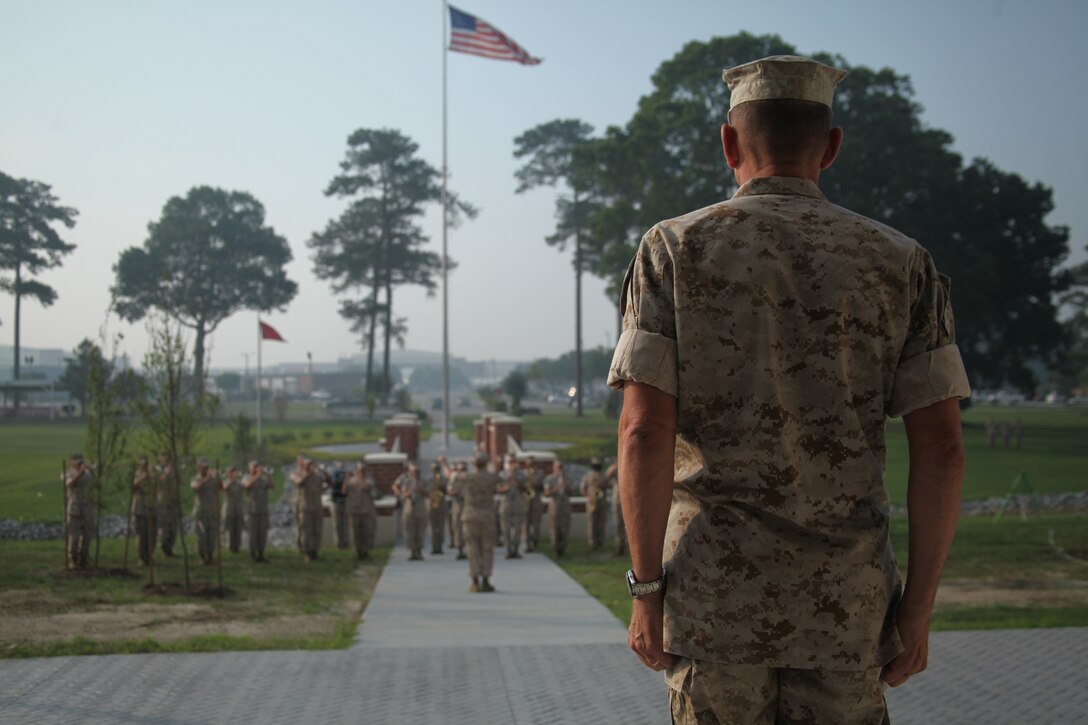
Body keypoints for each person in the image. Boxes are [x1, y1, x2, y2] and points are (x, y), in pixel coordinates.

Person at [609, 55, 969, 723]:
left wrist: (646, 590)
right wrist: (916, 609)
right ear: (830, 148)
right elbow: (943, 446)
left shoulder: (673, 250)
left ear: (728, 144)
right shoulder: (901, 262)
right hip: (846, 607)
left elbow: (643, 430)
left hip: (716, 602)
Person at [457, 452, 499, 592]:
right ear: (486, 463)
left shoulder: (467, 477)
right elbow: (504, 482)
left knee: (472, 548)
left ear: (473, 464)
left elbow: (453, 479)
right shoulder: (492, 477)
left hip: (470, 515)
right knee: (487, 548)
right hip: (487, 515)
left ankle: (475, 581)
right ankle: (486, 580)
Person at [63, 453, 96, 570]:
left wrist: (92, 471)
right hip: (74, 510)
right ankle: (73, 560)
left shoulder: (88, 475)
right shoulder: (68, 473)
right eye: (77, 463)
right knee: (74, 537)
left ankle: (84, 559)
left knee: (87, 537)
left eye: (81, 463)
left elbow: (96, 484)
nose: (79, 465)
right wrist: (80, 472)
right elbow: (70, 484)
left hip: (87, 509)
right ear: (72, 463)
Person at [290, 457, 326, 561]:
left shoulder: (316, 476)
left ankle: (315, 551)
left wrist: (322, 471)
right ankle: (307, 552)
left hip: (317, 506)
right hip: (305, 507)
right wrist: (308, 473)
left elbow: (326, 483)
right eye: (308, 464)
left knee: (317, 530)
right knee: (306, 531)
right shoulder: (299, 474)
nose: (310, 466)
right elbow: (299, 482)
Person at [393, 463, 429, 560]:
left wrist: (420, 489)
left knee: (420, 531)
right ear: (409, 471)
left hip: (420, 508)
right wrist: (402, 494)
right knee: (409, 530)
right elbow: (395, 486)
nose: (416, 473)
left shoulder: (423, 481)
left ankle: (419, 551)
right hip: (408, 508)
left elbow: (429, 494)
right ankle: (412, 552)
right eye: (413, 471)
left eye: (417, 472)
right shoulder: (404, 479)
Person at [345, 461, 378, 560]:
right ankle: (358, 552)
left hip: (366, 510)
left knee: (366, 533)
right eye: (360, 470)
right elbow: (344, 491)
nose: (361, 472)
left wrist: (361, 478)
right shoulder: (351, 480)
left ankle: (366, 551)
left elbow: (366, 488)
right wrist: (347, 479)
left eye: (363, 470)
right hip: (354, 510)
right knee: (356, 533)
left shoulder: (369, 480)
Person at [242, 460, 273, 562]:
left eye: (257, 466)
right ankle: (253, 554)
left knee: (262, 534)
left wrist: (267, 475)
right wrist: (257, 476)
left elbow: (272, 486)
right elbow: (247, 485)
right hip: (252, 511)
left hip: (263, 510)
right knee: (253, 534)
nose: (256, 469)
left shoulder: (263, 479)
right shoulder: (246, 477)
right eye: (254, 467)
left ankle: (261, 554)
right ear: (249, 468)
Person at [190, 459, 219, 566]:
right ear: (199, 467)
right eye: (203, 467)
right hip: (200, 512)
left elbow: (220, 488)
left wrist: (217, 477)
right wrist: (207, 478)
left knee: (211, 535)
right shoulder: (195, 478)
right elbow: (196, 487)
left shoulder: (212, 479)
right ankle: (202, 556)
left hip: (211, 511)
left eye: (207, 467)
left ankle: (210, 555)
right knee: (201, 536)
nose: (206, 469)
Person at [497, 455, 527, 559]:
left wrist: (517, 481)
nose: (511, 464)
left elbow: (526, 489)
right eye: (509, 462)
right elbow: (497, 490)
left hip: (518, 505)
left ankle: (516, 550)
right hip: (506, 505)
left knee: (518, 530)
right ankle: (509, 550)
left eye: (513, 462)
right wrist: (507, 484)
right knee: (506, 530)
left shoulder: (522, 475)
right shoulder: (501, 475)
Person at [131, 457, 157, 566]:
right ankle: (142, 557)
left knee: (152, 535)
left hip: (152, 508)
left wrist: (155, 473)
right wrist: (144, 475)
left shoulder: (153, 475)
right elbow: (134, 485)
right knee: (142, 535)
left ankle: (149, 555)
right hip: (140, 509)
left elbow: (159, 485)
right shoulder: (138, 474)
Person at [543, 460, 573, 557]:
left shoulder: (567, 478)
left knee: (565, 528)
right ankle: (556, 549)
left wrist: (565, 485)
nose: (560, 469)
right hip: (555, 505)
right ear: (554, 467)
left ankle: (563, 549)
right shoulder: (549, 479)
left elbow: (571, 492)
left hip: (565, 505)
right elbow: (547, 493)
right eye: (558, 467)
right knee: (555, 529)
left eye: (561, 467)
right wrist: (557, 487)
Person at [579, 459, 609, 549]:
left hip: (602, 500)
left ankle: (600, 541)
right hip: (592, 501)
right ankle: (592, 542)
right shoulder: (588, 475)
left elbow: (610, 485)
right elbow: (582, 488)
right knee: (592, 522)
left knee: (601, 521)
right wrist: (588, 496)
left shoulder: (604, 475)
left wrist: (603, 485)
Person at [155, 454, 179, 557]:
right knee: (164, 528)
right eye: (164, 459)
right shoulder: (157, 471)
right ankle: (164, 548)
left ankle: (170, 548)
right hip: (163, 503)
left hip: (173, 502)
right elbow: (160, 482)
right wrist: (167, 473)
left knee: (173, 527)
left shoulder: (173, 471)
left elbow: (179, 482)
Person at [221, 466, 245, 554]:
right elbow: (225, 488)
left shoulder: (239, 483)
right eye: (232, 472)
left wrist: (239, 478)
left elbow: (245, 486)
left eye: (234, 472)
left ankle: (237, 547)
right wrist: (233, 480)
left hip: (238, 509)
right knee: (230, 529)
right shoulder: (226, 481)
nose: (234, 474)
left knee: (238, 529)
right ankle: (230, 547)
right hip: (229, 509)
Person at [447, 460, 467, 560]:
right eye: (461, 470)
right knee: (458, 529)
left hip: (469, 507)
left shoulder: (470, 479)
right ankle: (460, 549)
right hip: (458, 506)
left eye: (464, 469)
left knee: (469, 530)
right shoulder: (454, 479)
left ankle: (470, 549)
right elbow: (449, 491)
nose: (463, 472)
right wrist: (456, 492)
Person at [605, 459, 626, 556]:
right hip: (617, 500)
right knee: (618, 524)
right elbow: (607, 475)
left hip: (628, 499)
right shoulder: (616, 467)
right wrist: (617, 464)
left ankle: (629, 549)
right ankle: (619, 547)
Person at [523, 457, 545, 553]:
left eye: (532, 463)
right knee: (526, 524)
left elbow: (543, 487)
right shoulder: (523, 473)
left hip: (536, 499)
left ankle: (536, 544)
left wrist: (535, 485)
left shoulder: (540, 473)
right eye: (529, 464)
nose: (530, 465)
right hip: (526, 500)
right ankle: (527, 544)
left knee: (536, 524)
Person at [428, 461, 448, 555]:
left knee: (441, 527)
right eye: (434, 469)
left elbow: (446, 490)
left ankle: (440, 546)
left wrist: (441, 486)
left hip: (441, 504)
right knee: (432, 527)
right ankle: (434, 546)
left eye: (437, 469)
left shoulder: (443, 478)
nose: (436, 471)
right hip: (431, 505)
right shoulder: (428, 479)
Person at [330, 462, 350, 550]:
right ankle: (339, 544)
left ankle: (345, 543)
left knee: (345, 523)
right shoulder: (333, 475)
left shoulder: (347, 476)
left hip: (345, 501)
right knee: (337, 524)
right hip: (336, 502)